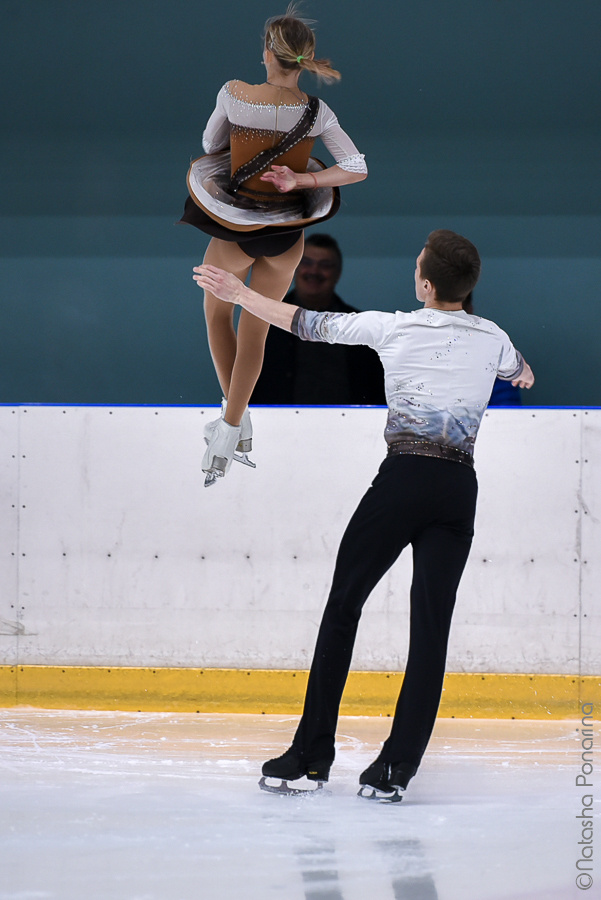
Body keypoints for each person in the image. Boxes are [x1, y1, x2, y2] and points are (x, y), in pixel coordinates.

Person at [192, 229, 535, 802]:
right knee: (431, 630)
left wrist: (237, 292)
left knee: (344, 605)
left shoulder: (393, 327)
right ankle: (395, 770)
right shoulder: (493, 337)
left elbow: (303, 323)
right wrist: (510, 370)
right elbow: (521, 373)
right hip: (457, 489)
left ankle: (310, 754)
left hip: (402, 480)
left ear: (425, 284)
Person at [180, 4, 367, 486]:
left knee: (219, 314)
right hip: (287, 234)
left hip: (239, 226)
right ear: (305, 59)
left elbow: (209, 141)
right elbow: (356, 167)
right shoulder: (317, 111)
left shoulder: (236, 94)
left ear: (268, 53)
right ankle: (231, 425)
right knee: (257, 330)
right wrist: (303, 177)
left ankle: (234, 426)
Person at [252, 234, 385, 405]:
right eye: (307, 263)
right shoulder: (265, 322)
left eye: (325, 265)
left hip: (350, 427)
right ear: (295, 268)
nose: (314, 271)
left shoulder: (360, 327)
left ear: (338, 273)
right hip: (276, 427)